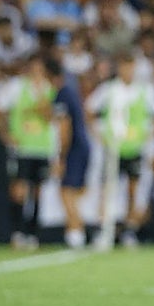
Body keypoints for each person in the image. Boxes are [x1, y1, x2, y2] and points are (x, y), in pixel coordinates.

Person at [85, 52, 154, 247]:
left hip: (135, 149)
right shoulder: (108, 89)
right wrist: (98, 135)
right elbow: (89, 109)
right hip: (113, 149)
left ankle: (129, 230)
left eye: (131, 67)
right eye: (124, 67)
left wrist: (150, 135)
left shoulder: (145, 90)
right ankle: (103, 229)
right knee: (107, 190)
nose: (128, 71)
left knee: (133, 190)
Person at [0, 55, 57, 249]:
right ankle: (17, 231)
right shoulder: (17, 87)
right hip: (22, 148)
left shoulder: (49, 89)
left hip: (42, 147)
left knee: (37, 192)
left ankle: (32, 233)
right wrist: (5, 135)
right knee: (19, 190)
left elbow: (50, 117)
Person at [46, 58, 91, 248]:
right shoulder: (71, 92)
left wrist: (61, 157)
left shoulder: (62, 94)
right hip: (82, 146)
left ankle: (76, 233)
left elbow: (65, 128)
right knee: (71, 192)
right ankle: (75, 230)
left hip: (74, 148)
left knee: (66, 192)